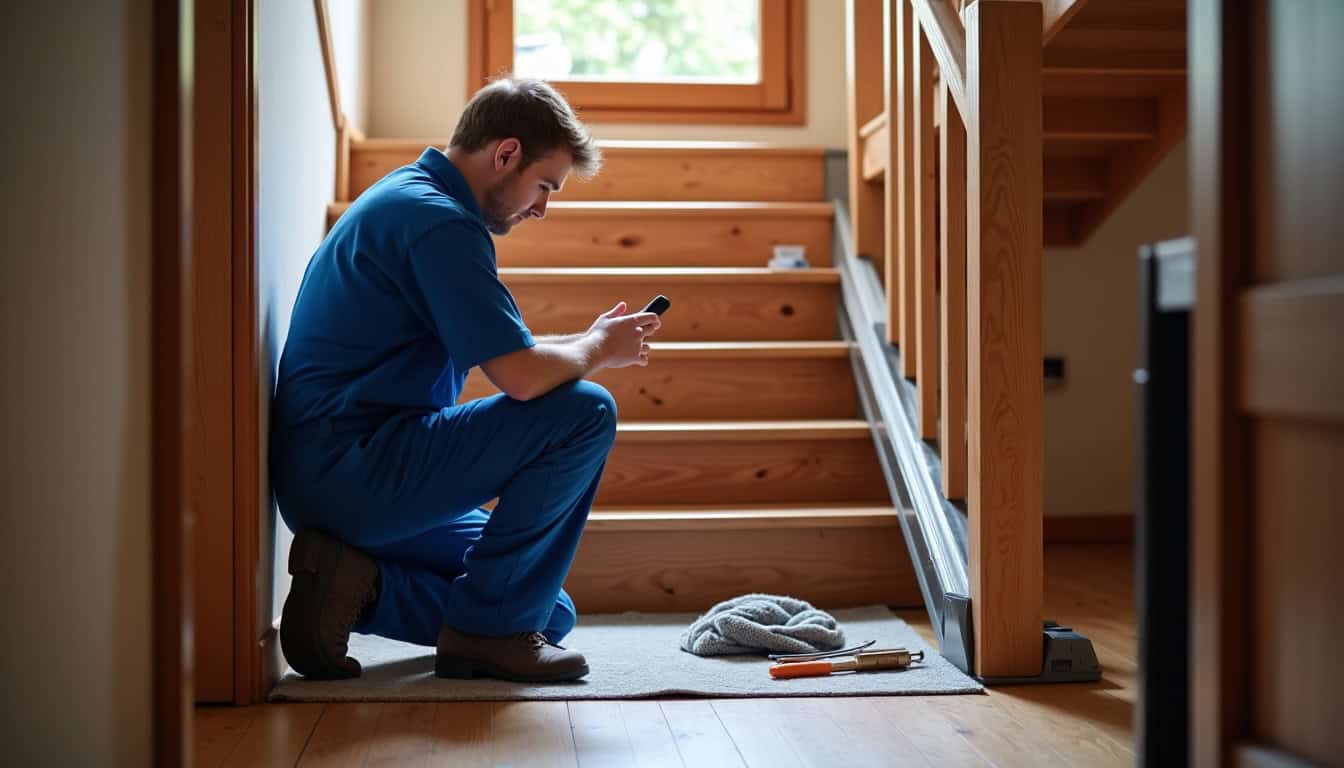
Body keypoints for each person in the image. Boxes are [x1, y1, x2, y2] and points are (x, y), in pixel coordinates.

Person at [269, 77, 661, 683]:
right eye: (543, 186)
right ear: (505, 155)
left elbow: (511, 352)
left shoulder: (410, 199)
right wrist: (598, 351)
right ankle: (484, 635)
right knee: (586, 411)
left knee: (545, 610)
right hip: (355, 471)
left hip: (339, 473)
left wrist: (589, 342)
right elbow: (522, 378)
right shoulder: (440, 225)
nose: (541, 208)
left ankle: (358, 585)